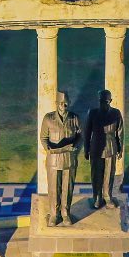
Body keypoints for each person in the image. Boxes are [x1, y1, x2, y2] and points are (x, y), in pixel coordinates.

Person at [39, 90, 81, 226]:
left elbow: (80, 135)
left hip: (69, 159)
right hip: (53, 160)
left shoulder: (74, 118)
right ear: (56, 103)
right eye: (61, 103)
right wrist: (48, 149)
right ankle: (54, 214)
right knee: (53, 188)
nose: (64, 105)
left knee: (67, 188)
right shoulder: (48, 118)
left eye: (66, 103)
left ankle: (65, 213)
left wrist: (76, 146)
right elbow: (43, 138)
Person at [84, 89, 124, 209]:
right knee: (96, 174)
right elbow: (87, 132)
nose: (103, 103)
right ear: (98, 100)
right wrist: (86, 149)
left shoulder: (116, 113)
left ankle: (107, 196)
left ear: (110, 101)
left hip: (111, 147)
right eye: (101, 101)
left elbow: (120, 133)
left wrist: (120, 149)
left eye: (106, 101)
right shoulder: (92, 113)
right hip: (96, 147)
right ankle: (97, 197)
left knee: (109, 174)